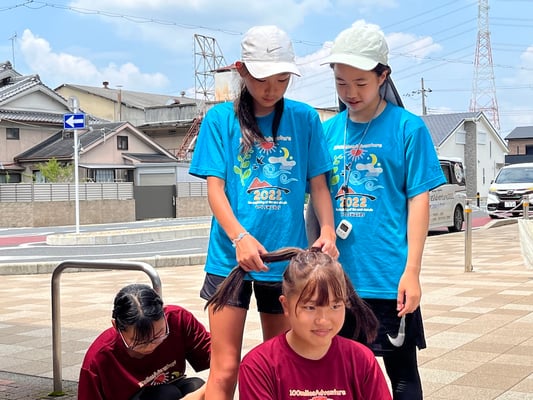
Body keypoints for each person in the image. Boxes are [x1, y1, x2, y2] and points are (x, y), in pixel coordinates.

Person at [189, 25, 338, 399]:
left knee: (282, 364)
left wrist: (328, 230)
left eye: (282, 79)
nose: (272, 89)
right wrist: (239, 237)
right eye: (261, 79)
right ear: (241, 70)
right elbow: (215, 190)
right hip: (230, 260)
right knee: (224, 369)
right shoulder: (220, 120)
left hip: (285, 261)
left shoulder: (304, 119)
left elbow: (319, 185)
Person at [307, 22, 447, 399]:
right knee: (340, 378)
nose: (350, 93)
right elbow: (316, 200)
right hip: (337, 280)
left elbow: (419, 200)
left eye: (360, 82)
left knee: (401, 375)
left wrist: (412, 272)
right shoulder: (327, 132)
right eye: (341, 82)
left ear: (383, 76)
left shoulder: (407, 128)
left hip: (388, 277)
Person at [238, 248, 391, 399]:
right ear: (286, 305)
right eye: (310, 307)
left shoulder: (362, 360)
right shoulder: (259, 366)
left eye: (335, 306)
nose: (323, 320)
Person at [78, 284, 211, 400]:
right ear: (116, 326)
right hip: (144, 396)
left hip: (173, 385)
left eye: (159, 335)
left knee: (195, 386)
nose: (150, 347)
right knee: (165, 394)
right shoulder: (99, 359)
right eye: (139, 342)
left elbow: (216, 354)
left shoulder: (178, 319)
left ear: (164, 314)